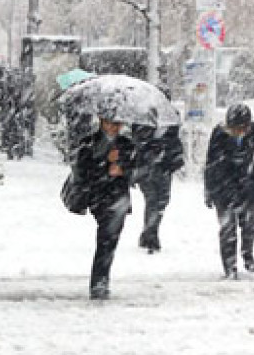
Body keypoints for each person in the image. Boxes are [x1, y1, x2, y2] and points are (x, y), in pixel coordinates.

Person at [204, 104, 254, 279]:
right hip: (223, 185)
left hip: (248, 185)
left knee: (251, 226)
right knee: (227, 227)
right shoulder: (219, 134)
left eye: (241, 128)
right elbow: (211, 163)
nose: (237, 131)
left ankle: (247, 250)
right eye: (234, 128)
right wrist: (208, 189)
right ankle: (230, 267)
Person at [72, 114, 137, 300]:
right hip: (99, 197)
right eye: (110, 123)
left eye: (117, 123)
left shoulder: (126, 144)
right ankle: (99, 281)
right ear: (101, 122)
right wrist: (104, 162)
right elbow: (83, 171)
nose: (113, 128)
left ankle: (101, 280)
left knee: (109, 240)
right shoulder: (89, 143)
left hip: (119, 198)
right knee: (105, 239)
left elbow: (136, 170)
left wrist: (122, 167)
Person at [133, 124, 184, 253]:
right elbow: (137, 144)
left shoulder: (171, 124)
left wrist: (172, 158)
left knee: (161, 201)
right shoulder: (143, 121)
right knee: (152, 200)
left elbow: (175, 144)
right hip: (147, 168)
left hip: (163, 169)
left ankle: (149, 231)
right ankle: (151, 234)